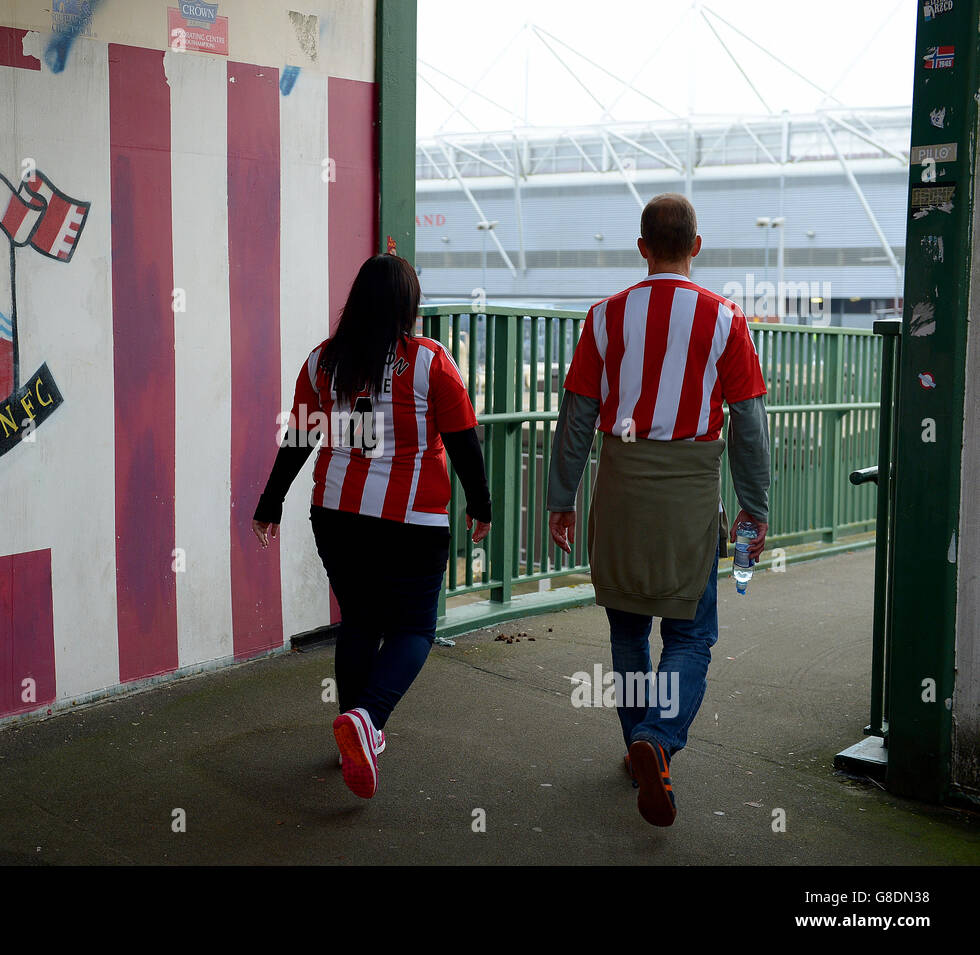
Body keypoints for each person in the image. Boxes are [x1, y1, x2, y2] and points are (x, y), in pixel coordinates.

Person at [546, 193, 771, 827]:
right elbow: (749, 423)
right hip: (688, 493)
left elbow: (577, 417)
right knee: (692, 633)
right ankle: (660, 739)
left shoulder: (604, 317)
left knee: (626, 631)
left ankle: (639, 741)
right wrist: (754, 507)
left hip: (620, 487)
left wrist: (561, 497)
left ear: (642, 248)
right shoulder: (724, 318)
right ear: (696, 248)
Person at [252, 253, 492, 800]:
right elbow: (463, 442)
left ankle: (351, 735)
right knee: (413, 629)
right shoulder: (430, 360)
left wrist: (269, 503)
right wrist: (482, 505)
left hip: (335, 515)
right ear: (408, 305)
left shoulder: (322, 362)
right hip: (412, 522)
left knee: (360, 620)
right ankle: (367, 720)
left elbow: (298, 438)